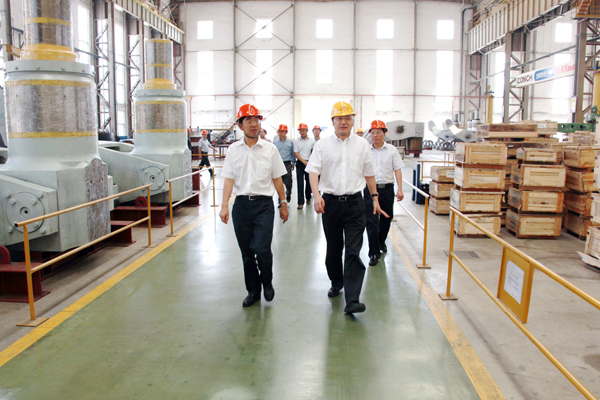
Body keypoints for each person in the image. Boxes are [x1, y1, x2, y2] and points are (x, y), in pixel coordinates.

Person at [306, 101, 387, 315]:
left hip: (355, 204)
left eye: (347, 118)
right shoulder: (323, 145)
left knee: (353, 251)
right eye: (339, 118)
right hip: (330, 203)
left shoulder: (362, 145)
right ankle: (336, 281)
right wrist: (316, 195)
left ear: (352, 121)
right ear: (333, 121)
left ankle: (352, 299)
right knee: (334, 249)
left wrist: (375, 198)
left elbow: (369, 173)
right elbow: (313, 171)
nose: (343, 122)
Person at [219, 104, 289, 308]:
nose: (253, 124)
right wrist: (224, 206)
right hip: (241, 206)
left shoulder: (270, 149)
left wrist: (283, 203)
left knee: (262, 248)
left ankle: (266, 281)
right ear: (240, 125)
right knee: (247, 252)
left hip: (264, 206)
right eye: (248, 120)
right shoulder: (233, 150)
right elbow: (229, 179)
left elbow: (277, 178)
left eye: (256, 120)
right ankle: (253, 291)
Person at [363, 120, 405, 267]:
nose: (375, 135)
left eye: (378, 132)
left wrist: (400, 188)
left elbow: (397, 169)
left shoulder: (392, 150)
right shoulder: (366, 150)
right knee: (371, 221)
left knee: (387, 218)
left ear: (384, 133)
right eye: (373, 133)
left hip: (387, 189)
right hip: (370, 190)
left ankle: (381, 241)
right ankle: (374, 253)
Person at [273, 124, 295, 207]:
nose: (280, 133)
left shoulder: (290, 142)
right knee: (279, 183)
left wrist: (293, 163)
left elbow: (292, 153)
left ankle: (288, 194)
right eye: (279, 131)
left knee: (288, 182)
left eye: (282, 131)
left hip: (287, 164)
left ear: (286, 132)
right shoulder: (275, 142)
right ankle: (281, 201)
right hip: (278, 164)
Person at [293, 123, 315, 210]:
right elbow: (296, 153)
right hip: (300, 163)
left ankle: (308, 198)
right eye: (300, 131)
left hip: (309, 162)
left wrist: (309, 162)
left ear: (307, 131)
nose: (302, 132)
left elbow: (314, 152)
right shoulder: (296, 141)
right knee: (300, 183)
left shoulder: (312, 141)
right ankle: (300, 202)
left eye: (303, 130)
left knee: (309, 182)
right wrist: (304, 162)